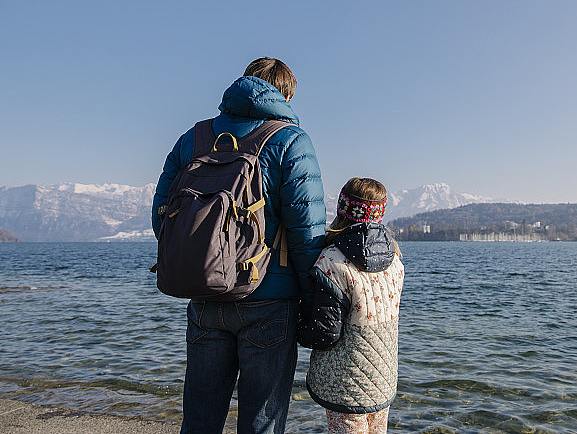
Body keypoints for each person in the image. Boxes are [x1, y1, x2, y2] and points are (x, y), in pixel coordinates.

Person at [151, 57, 327, 434]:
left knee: (199, 418)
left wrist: (204, 259)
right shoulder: (290, 140)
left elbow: (162, 216)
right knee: (261, 421)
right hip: (268, 298)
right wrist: (313, 300)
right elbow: (305, 234)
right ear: (287, 94)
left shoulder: (193, 138)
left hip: (204, 294)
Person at [297, 177, 404, 434]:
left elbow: (325, 333)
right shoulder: (395, 260)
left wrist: (296, 324)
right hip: (382, 377)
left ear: (342, 212)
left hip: (344, 382)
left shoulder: (331, 261)